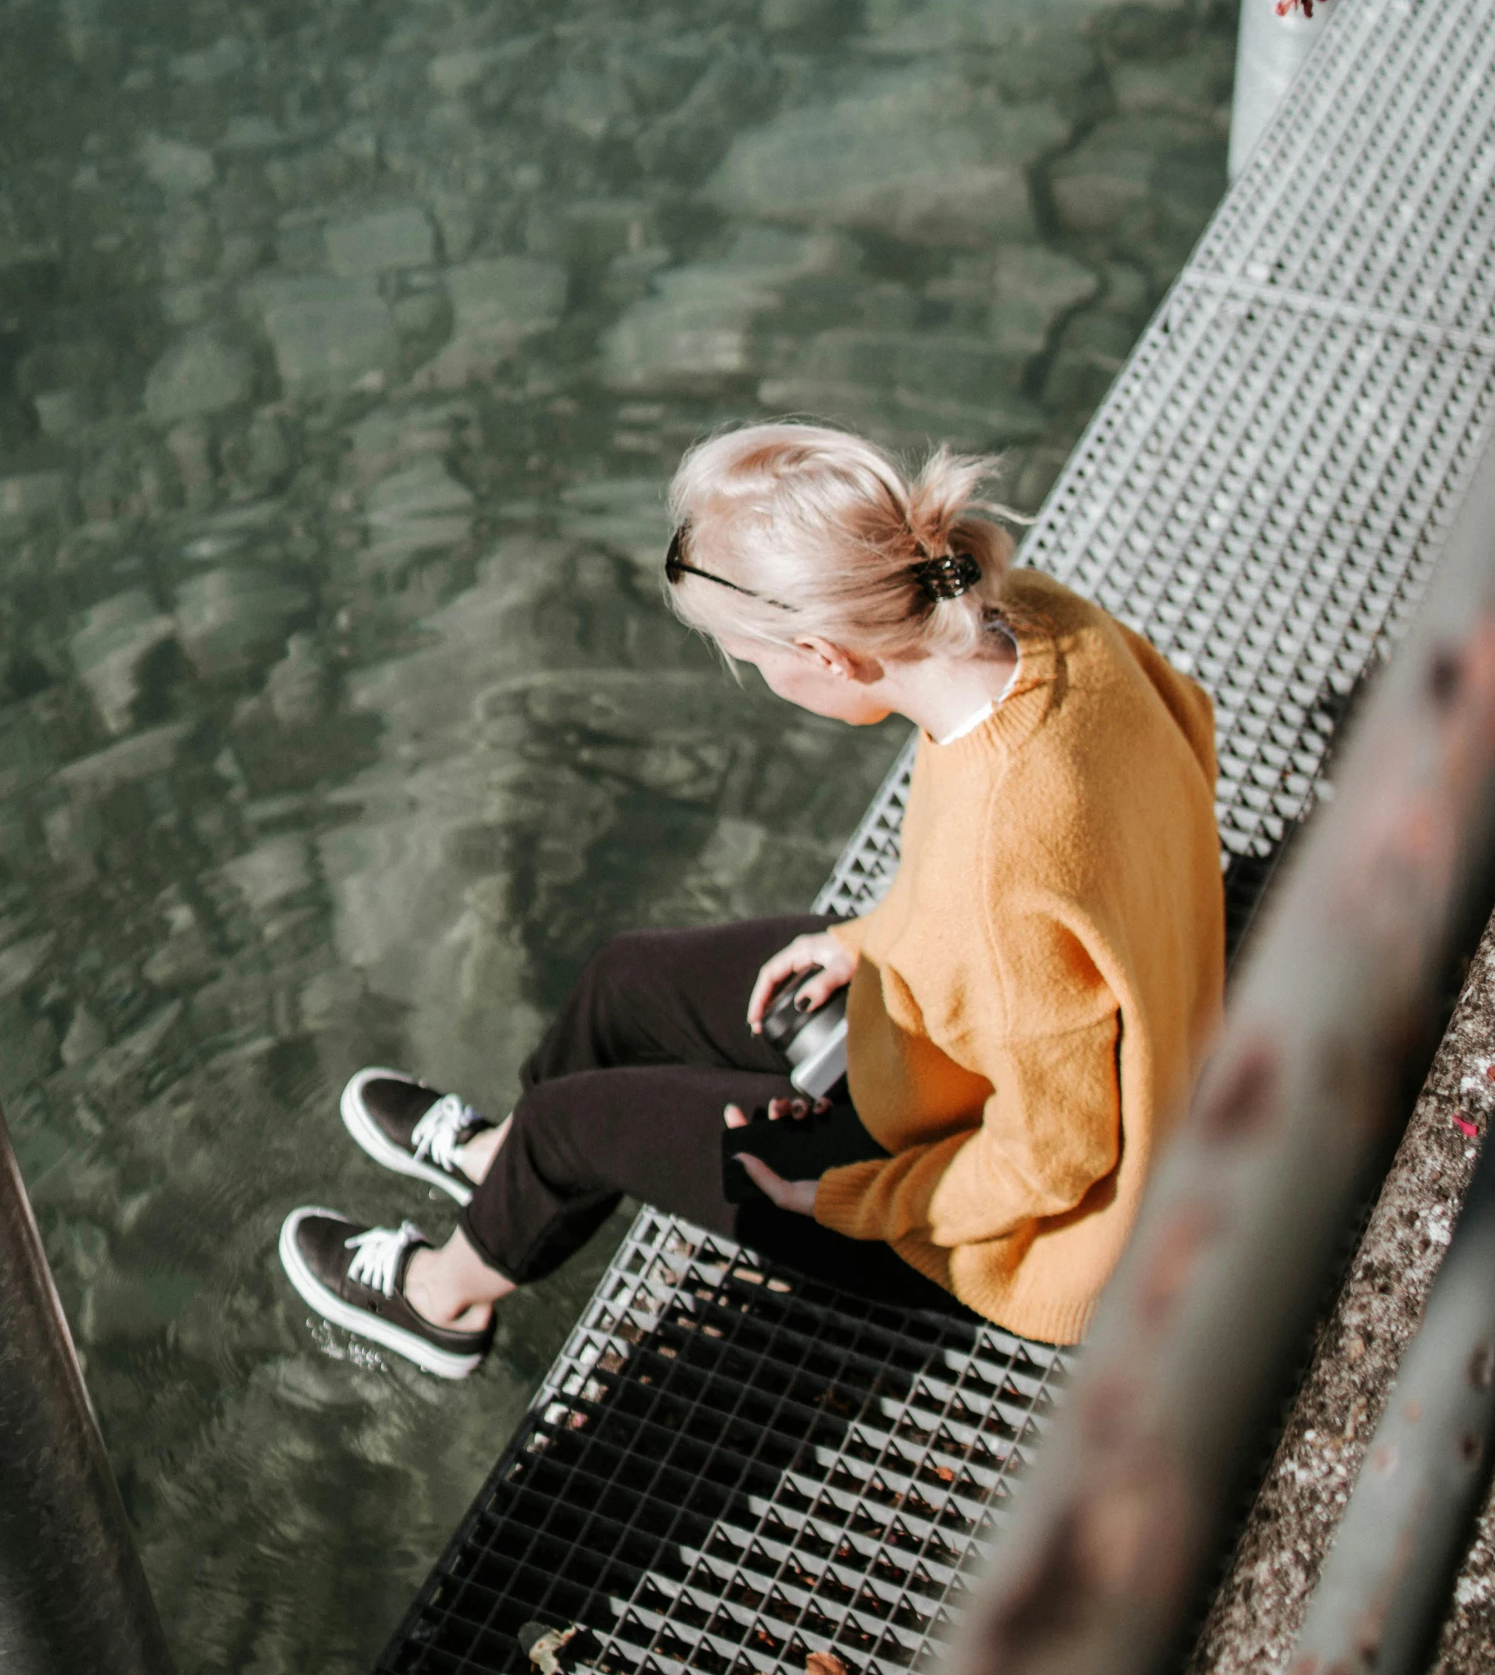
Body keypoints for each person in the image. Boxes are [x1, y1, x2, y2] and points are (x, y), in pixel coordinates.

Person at [278, 423, 1224, 1377]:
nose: (762, 683)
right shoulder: (1035, 617)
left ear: (824, 653)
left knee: (581, 1126)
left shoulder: (999, 858)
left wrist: (855, 1199)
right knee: (625, 981)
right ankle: (505, 1171)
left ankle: (442, 1304)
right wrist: (880, 935)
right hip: (959, 1055)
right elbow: (1188, 727)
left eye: (751, 659)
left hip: (994, 1217)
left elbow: (1055, 1154)